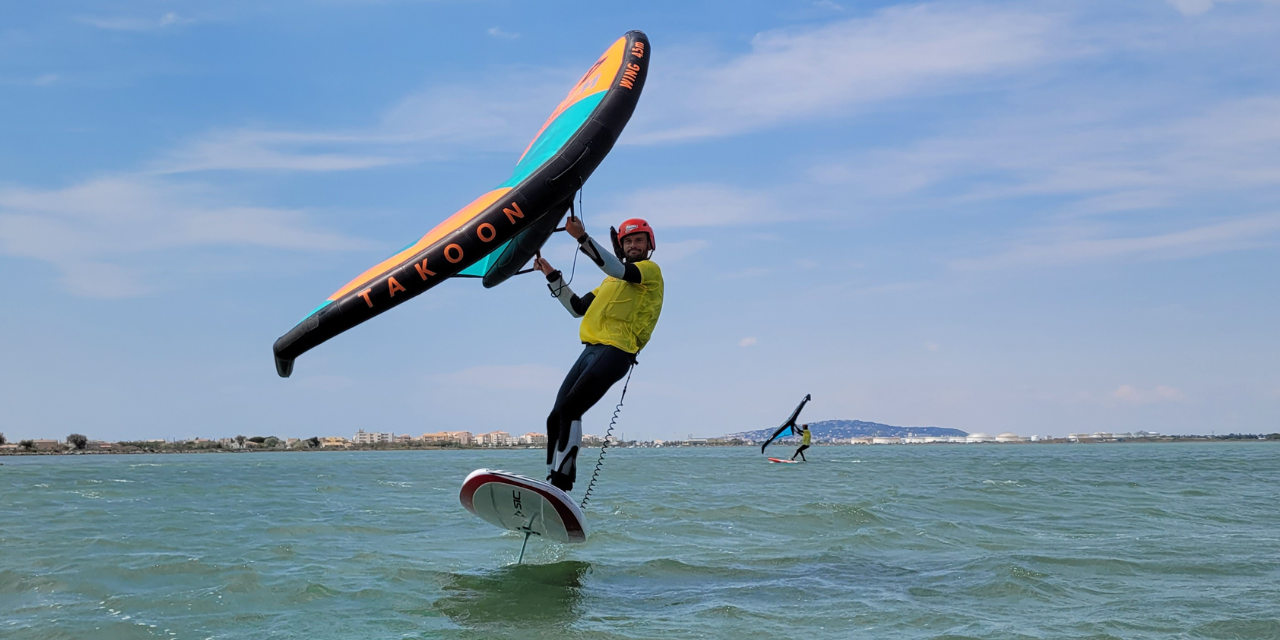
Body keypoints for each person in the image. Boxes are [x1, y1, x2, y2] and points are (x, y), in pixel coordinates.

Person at [533, 215, 664, 492]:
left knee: (572, 408)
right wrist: (550, 274)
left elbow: (619, 270)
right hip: (590, 350)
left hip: (617, 351)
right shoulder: (609, 283)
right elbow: (577, 308)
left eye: (639, 240)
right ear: (621, 245)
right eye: (627, 241)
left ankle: (561, 484)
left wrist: (582, 238)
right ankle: (549, 482)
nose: (633, 245)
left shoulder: (650, 272)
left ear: (649, 244)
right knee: (555, 417)